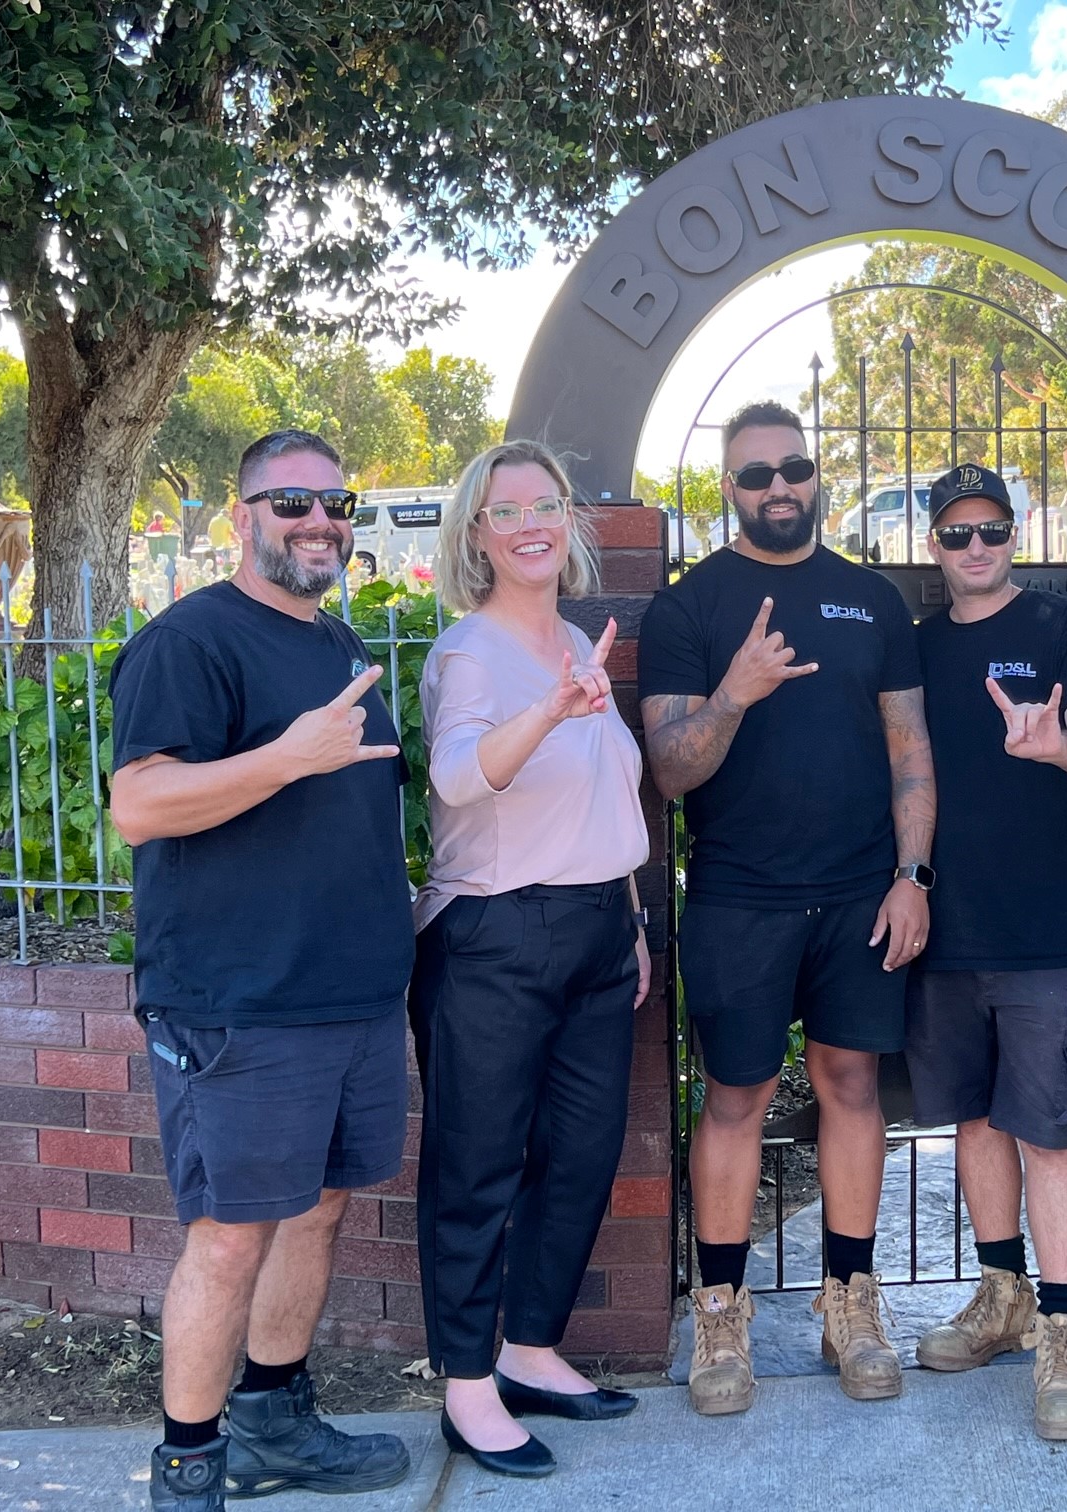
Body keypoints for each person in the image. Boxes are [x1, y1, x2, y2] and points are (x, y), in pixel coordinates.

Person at [108, 429, 413, 1511]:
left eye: (336, 501)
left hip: (355, 1001)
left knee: (321, 1211)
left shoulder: (336, 643)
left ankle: (274, 1419)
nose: (319, 521)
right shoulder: (189, 644)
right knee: (229, 1237)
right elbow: (139, 806)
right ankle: (188, 1468)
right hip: (239, 1008)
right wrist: (289, 756)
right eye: (291, 503)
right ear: (241, 519)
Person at [638, 400, 935, 1415]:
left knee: (854, 1088)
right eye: (756, 474)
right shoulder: (688, 611)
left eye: (794, 469)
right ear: (730, 487)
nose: (778, 487)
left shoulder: (872, 600)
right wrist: (735, 691)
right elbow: (673, 771)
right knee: (735, 1098)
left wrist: (913, 877)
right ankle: (721, 1315)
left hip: (861, 894)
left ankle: (850, 1301)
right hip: (740, 898)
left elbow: (911, 752)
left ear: (818, 478)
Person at [410, 440, 652, 1478]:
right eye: (506, 510)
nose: (530, 522)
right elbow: (462, 780)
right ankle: (467, 1385)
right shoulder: (471, 651)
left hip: (601, 926)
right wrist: (550, 708)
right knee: (477, 1164)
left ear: (569, 521)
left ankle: (533, 1348)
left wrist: (633, 917)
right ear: (477, 534)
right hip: (497, 936)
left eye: (545, 503)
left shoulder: (574, 639)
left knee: (584, 1154)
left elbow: (608, 799)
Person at [905, 464, 1067, 1443]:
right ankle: (1003, 1295)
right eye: (958, 534)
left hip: (1042, 933)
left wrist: (1059, 743)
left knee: (1049, 1129)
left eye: (992, 530)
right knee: (976, 1124)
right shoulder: (915, 651)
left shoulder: (1064, 632)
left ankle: (1064, 1334)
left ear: (1015, 534)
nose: (977, 547)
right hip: (947, 933)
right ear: (934, 544)